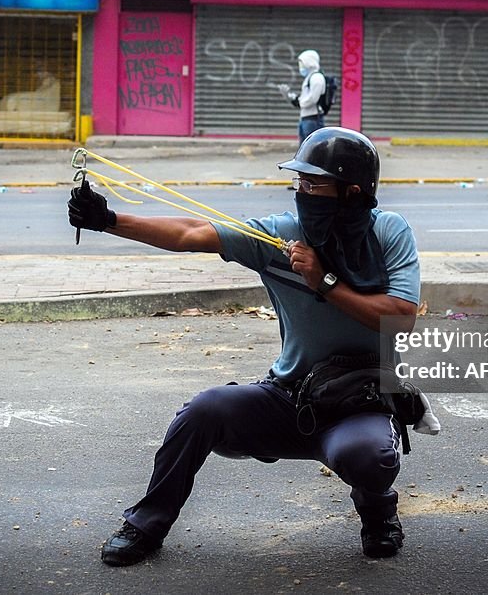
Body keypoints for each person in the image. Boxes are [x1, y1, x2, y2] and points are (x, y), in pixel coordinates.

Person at [68, 127, 422, 566]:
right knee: (203, 411)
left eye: (314, 184)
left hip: (360, 403)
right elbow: (192, 231)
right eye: (299, 183)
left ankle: (378, 513)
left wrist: (325, 282)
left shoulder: (388, 232)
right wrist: (110, 221)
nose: (302, 193)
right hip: (290, 398)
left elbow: (401, 318)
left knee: (367, 455)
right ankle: (145, 524)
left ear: (352, 192)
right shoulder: (282, 237)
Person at [279, 49, 327, 143]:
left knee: (312, 148)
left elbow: (313, 99)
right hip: (306, 118)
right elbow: (305, 98)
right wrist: (290, 97)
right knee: (304, 148)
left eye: (302, 63)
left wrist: (300, 102)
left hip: (313, 119)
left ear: (309, 62)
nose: (300, 67)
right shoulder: (309, 77)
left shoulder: (316, 78)